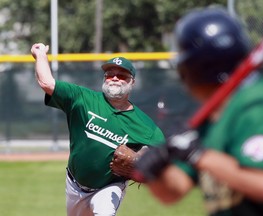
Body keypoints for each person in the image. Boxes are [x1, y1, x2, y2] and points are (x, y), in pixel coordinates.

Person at [133, 7, 263, 216]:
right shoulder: (213, 114)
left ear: (193, 70)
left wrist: (198, 154)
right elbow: (173, 192)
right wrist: (155, 170)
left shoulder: (256, 106)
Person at [30, 45, 165, 216]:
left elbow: (164, 155)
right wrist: (40, 54)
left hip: (108, 187)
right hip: (74, 184)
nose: (114, 78)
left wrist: (144, 159)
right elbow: (46, 83)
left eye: (122, 75)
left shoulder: (146, 126)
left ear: (132, 82)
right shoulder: (82, 99)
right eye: (109, 75)